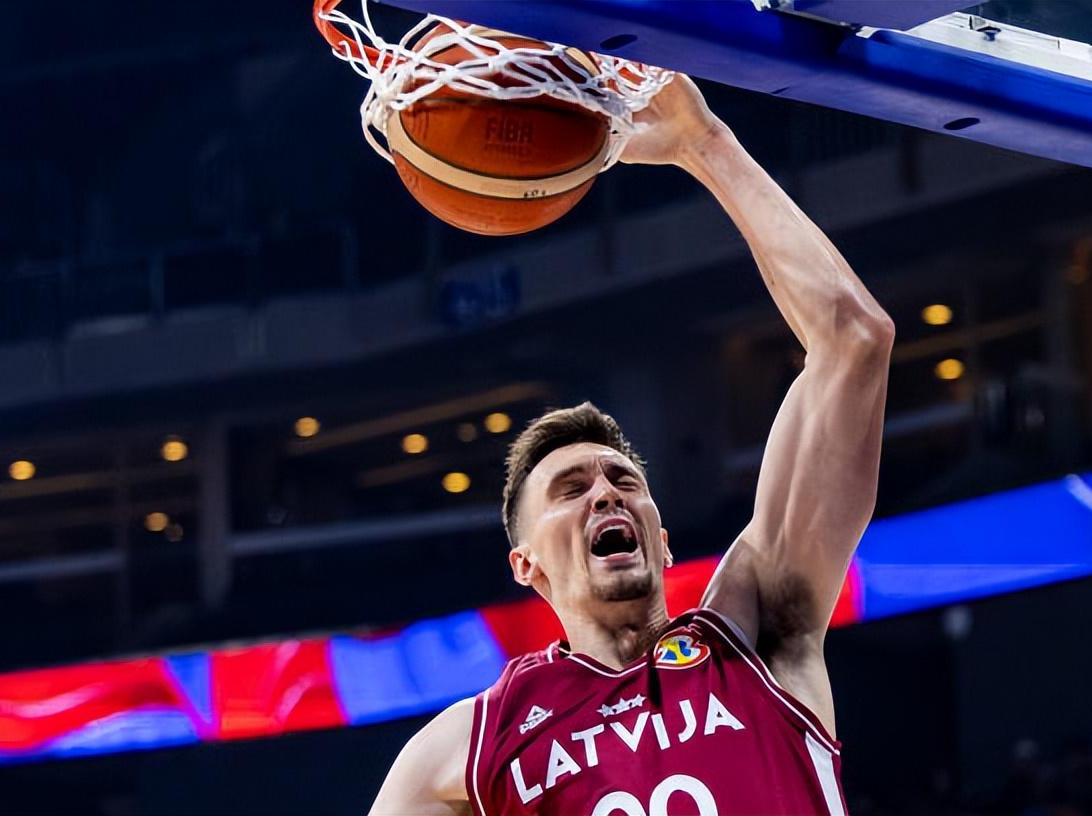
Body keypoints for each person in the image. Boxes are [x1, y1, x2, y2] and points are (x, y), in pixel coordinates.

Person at [367, 74, 894, 816]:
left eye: (623, 481)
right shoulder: (471, 746)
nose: (605, 494)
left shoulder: (752, 634)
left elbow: (854, 340)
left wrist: (703, 144)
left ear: (662, 539)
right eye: (570, 489)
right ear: (526, 563)